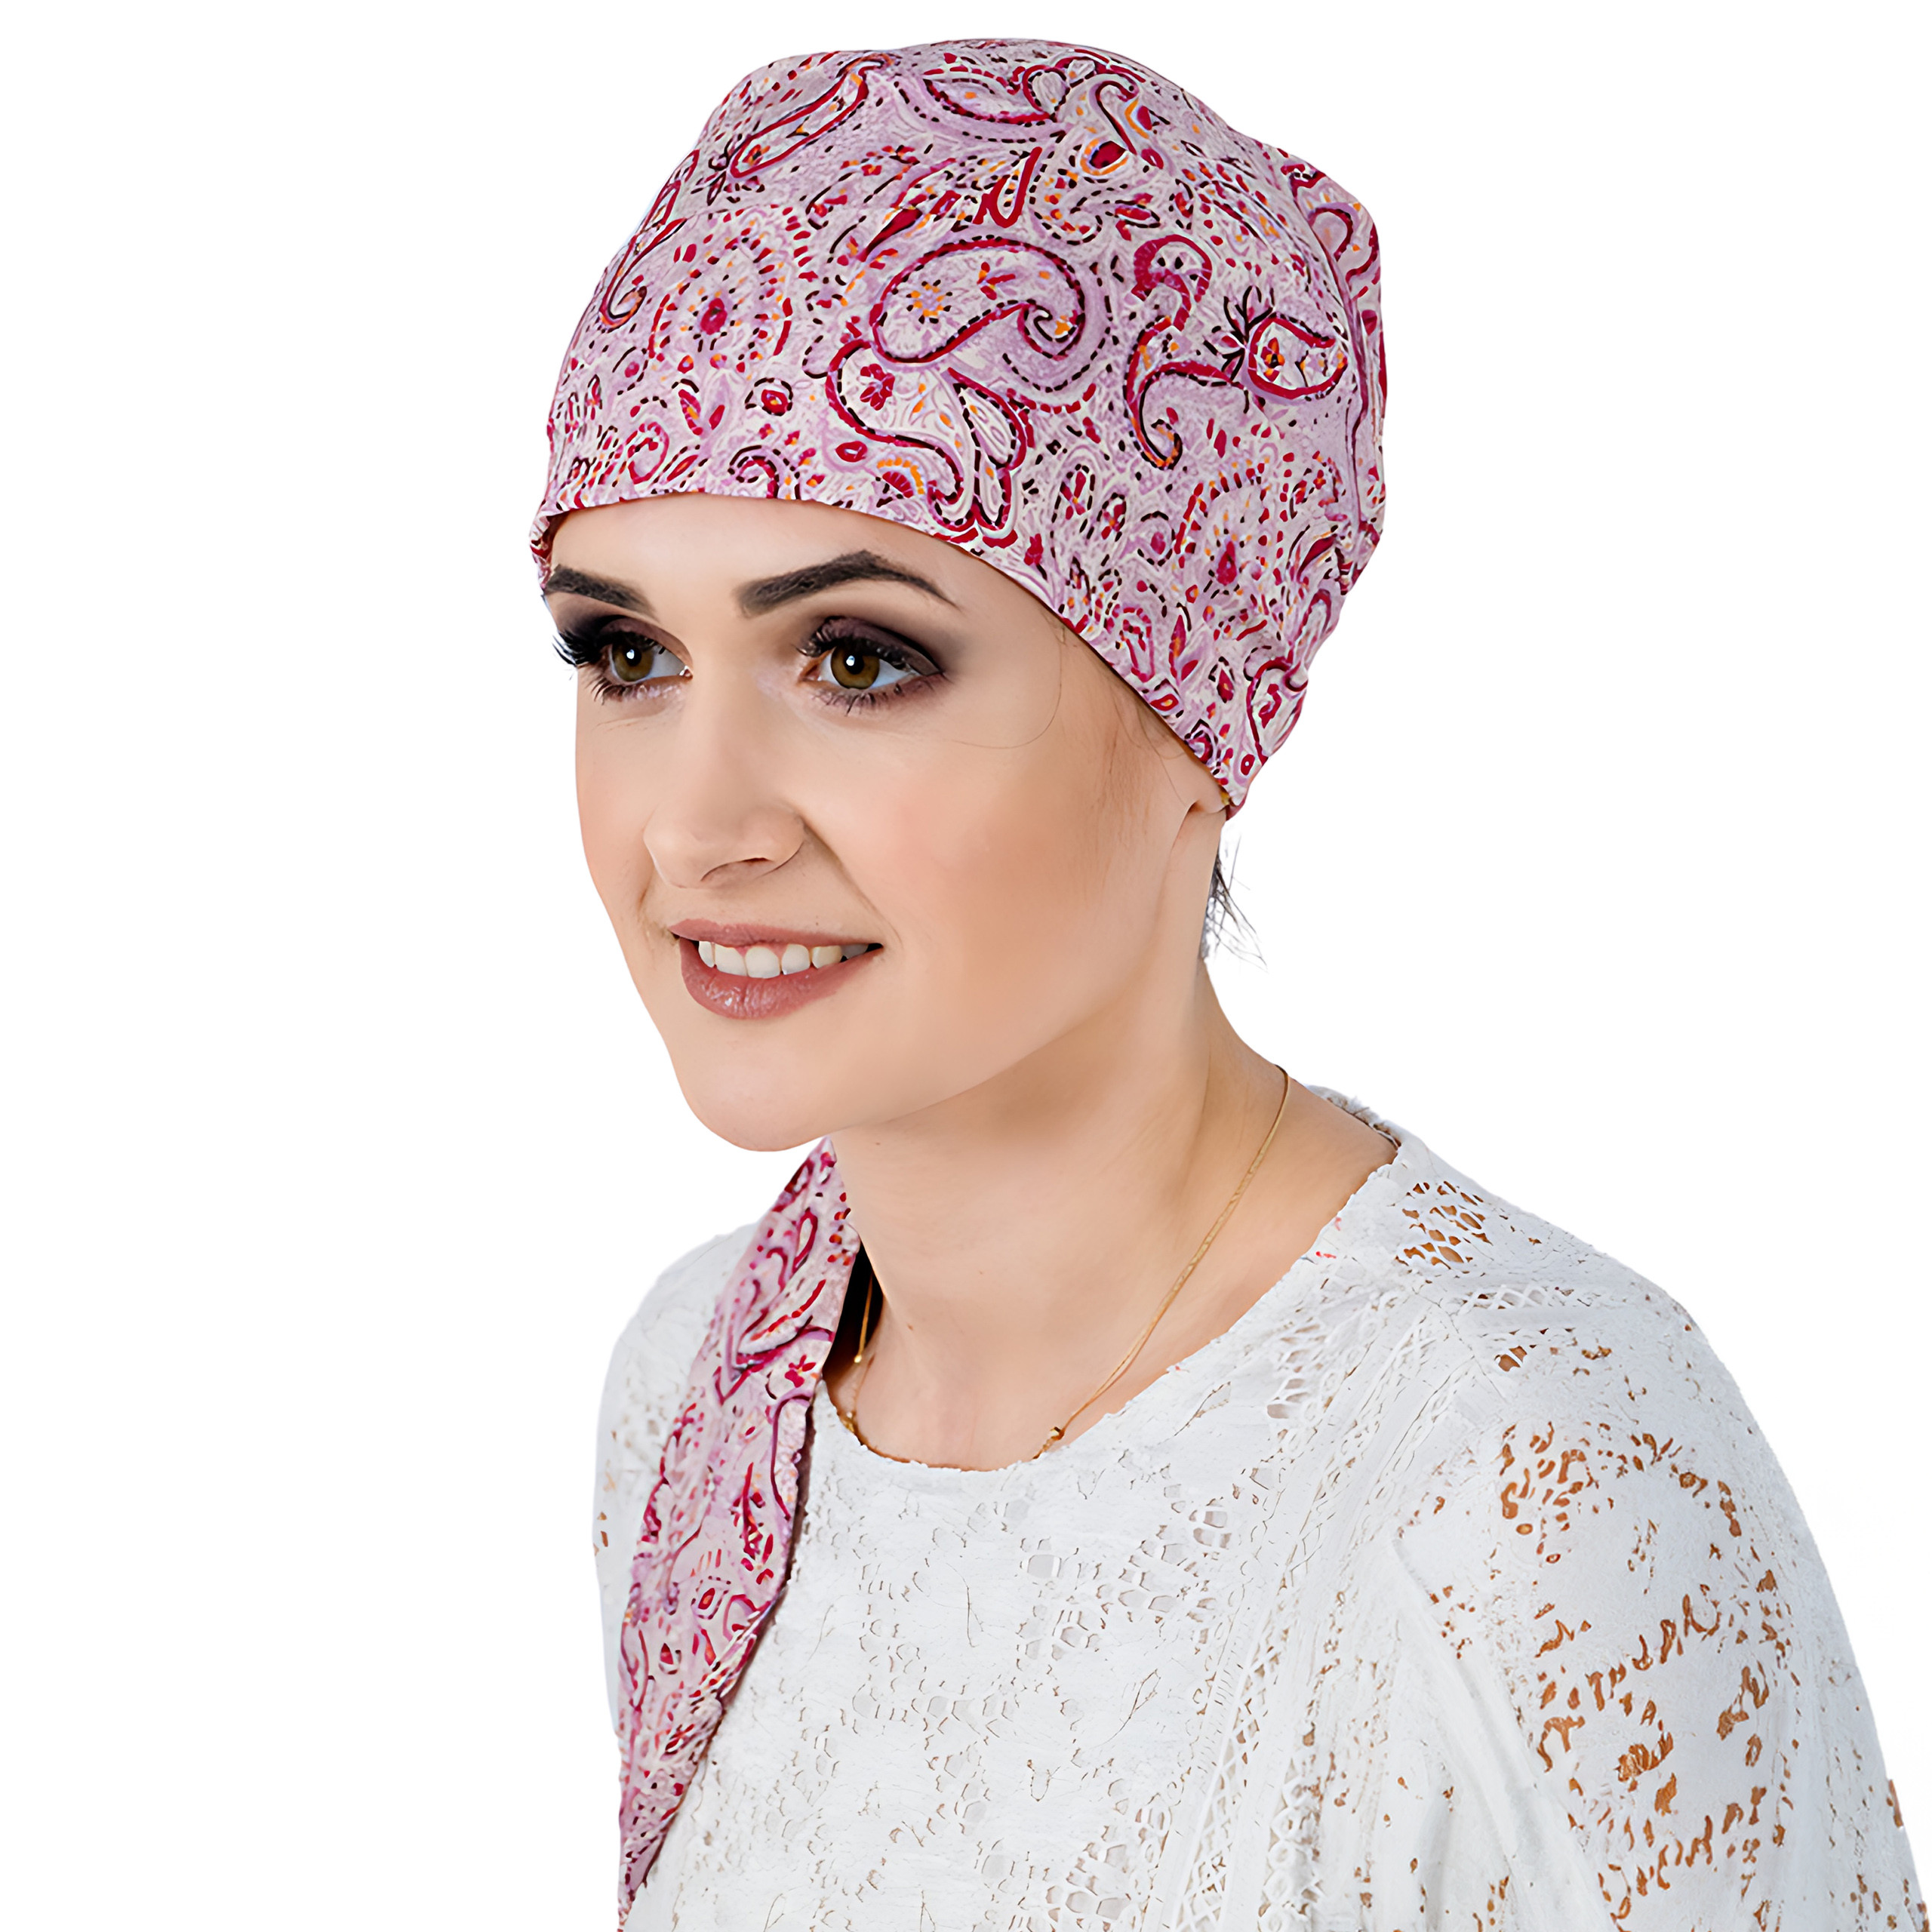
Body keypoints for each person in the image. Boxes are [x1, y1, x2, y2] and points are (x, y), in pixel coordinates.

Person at [534, 38, 1922, 1930]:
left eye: (856, 660)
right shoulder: (711, 1382)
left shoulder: (1527, 1486)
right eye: (623, 653)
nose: (695, 825)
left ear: (1197, 705)